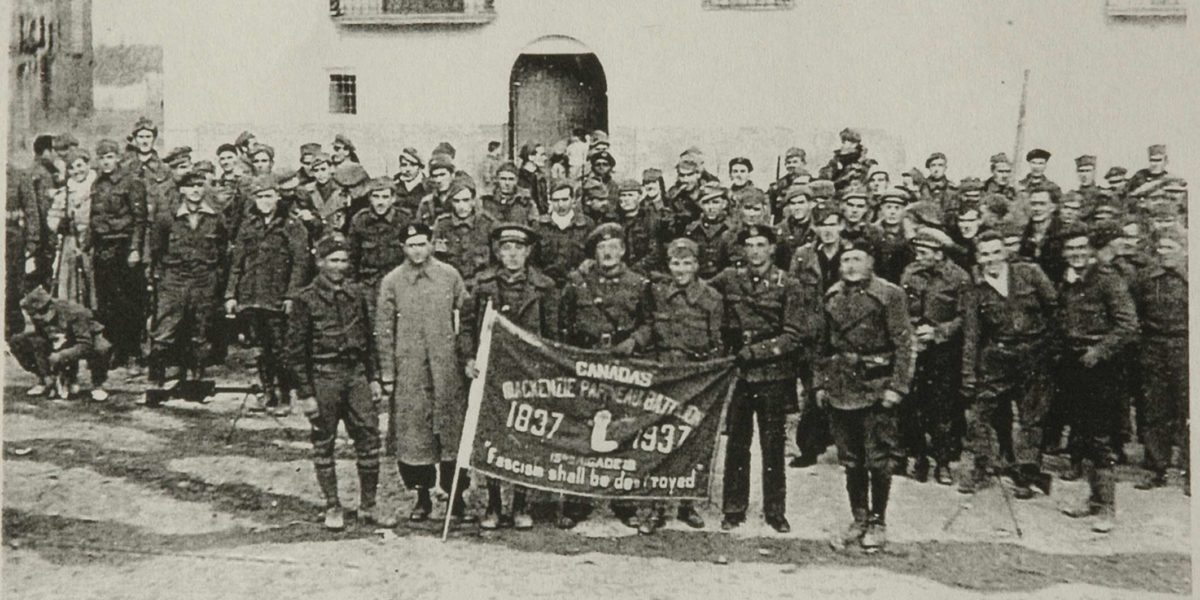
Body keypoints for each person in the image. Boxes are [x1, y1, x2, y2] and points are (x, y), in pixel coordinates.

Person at [285, 233, 395, 531]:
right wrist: (306, 394)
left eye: (344, 260)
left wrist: (373, 377)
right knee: (324, 442)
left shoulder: (357, 293)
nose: (339, 266)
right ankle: (333, 505)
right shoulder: (305, 299)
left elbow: (368, 339)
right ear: (319, 262)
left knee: (369, 439)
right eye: (332, 260)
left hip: (356, 375)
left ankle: (368, 505)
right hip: (324, 377)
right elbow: (294, 352)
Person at [710, 224, 817, 533]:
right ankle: (733, 508)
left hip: (773, 374)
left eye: (761, 245)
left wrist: (757, 352)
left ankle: (775, 510)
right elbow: (702, 290)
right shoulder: (730, 278)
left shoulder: (789, 284)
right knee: (737, 445)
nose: (755, 251)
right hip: (739, 375)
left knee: (772, 446)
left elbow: (793, 335)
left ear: (772, 249)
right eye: (750, 245)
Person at [814, 235, 913, 550]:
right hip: (842, 388)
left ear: (871, 262)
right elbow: (821, 346)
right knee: (851, 459)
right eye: (845, 260)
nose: (851, 266)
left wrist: (897, 387)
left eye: (857, 259)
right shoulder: (832, 297)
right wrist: (819, 383)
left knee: (879, 459)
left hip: (876, 386)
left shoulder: (889, 295)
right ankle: (858, 517)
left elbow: (904, 344)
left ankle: (878, 520)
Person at [460, 224, 559, 530]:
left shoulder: (544, 287)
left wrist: (550, 368)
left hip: (529, 373)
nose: (512, 255)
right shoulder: (482, 285)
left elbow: (553, 333)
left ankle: (519, 504)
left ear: (528, 252)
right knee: (493, 435)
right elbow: (465, 327)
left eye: (519, 248)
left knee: (524, 437)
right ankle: (492, 503)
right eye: (506, 249)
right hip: (492, 372)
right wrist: (469, 357)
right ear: (498, 252)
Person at [376, 223, 475, 525]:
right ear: (402, 248)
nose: (417, 250)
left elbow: (468, 316)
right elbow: (384, 331)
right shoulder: (392, 282)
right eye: (411, 245)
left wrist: (467, 357)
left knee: (451, 433)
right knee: (413, 437)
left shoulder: (449, 275)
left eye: (422, 243)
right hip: (410, 371)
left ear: (432, 244)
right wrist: (388, 373)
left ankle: (455, 498)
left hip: (448, 370)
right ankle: (422, 497)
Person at [558, 223, 654, 529]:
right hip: (586, 363)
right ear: (594, 253)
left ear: (623, 250)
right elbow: (563, 324)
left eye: (614, 247)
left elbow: (651, 323)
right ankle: (578, 500)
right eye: (601, 248)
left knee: (622, 430)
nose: (608, 253)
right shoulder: (577, 283)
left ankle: (623, 500)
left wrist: (635, 341)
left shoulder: (639, 284)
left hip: (624, 365)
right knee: (583, 428)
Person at [960, 230, 1058, 499]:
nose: (991, 259)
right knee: (981, 415)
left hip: (1033, 356)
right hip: (997, 357)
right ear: (978, 257)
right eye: (985, 254)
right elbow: (971, 334)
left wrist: (1049, 350)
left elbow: (1054, 309)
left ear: (1005, 252)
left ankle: (1027, 475)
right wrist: (968, 373)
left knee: (1031, 418)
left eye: (995, 252)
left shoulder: (1030, 273)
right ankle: (982, 465)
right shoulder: (975, 290)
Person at [636, 237, 724, 534]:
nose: (681, 269)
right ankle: (656, 505)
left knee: (692, 440)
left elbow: (717, 345)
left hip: (696, 380)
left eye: (687, 263)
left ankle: (687, 503)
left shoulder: (711, 298)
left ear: (697, 265)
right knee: (660, 438)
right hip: (664, 376)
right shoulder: (658, 293)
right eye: (675, 263)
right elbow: (650, 328)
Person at [1056, 223, 1138, 533]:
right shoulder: (1068, 282)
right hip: (1075, 366)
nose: (1076, 254)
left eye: (1081, 248)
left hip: (1102, 369)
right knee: (1083, 435)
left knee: (1101, 438)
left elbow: (1128, 326)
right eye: (1070, 250)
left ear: (1091, 250)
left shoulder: (1107, 279)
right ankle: (1092, 500)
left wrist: (1098, 352)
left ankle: (1107, 509)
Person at [225, 175, 310, 415]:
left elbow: (300, 264)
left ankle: (284, 396)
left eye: (269, 196)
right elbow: (236, 263)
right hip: (251, 296)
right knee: (260, 348)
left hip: (277, 298)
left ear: (278, 197)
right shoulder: (248, 225)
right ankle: (267, 392)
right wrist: (230, 294)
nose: (264, 201)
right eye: (259, 196)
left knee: (280, 348)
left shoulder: (291, 226)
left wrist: (291, 296)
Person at [146, 172, 228, 394]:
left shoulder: (215, 217)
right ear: (181, 190)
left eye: (200, 186)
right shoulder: (166, 217)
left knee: (200, 329)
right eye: (190, 186)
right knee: (165, 328)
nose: (195, 190)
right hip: (174, 278)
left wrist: (215, 277)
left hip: (204, 278)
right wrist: (161, 277)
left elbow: (222, 250)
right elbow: (156, 250)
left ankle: (197, 378)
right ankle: (156, 378)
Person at [900, 228, 970, 485]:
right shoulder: (910, 273)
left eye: (925, 252)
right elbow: (901, 308)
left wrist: (939, 332)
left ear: (939, 254)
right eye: (918, 252)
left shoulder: (959, 278)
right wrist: (912, 334)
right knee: (914, 406)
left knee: (942, 408)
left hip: (944, 353)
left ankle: (942, 462)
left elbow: (965, 317)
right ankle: (919, 457)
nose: (919, 257)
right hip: (916, 348)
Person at [1131, 225, 1188, 493]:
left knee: (1188, 410)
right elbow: (1135, 311)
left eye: (1170, 247)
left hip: (1185, 345)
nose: (1163, 252)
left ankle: (1191, 470)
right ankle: (1156, 467)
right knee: (1155, 408)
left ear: (1185, 250)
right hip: (1153, 346)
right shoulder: (1146, 278)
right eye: (1161, 247)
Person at [11, 287, 112, 402]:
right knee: (18, 341)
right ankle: (45, 380)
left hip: (87, 336)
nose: (39, 318)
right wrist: (46, 373)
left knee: (102, 348)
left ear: (50, 307)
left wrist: (61, 356)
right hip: (63, 338)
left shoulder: (74, 311)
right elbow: (40, 340)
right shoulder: (36, 311)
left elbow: (85, 344)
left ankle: (98, 384)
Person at [348, 177, 412, 321]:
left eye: (385, 196)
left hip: (399, 284)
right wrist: (353, 288)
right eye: (376, 196)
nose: (380, 202)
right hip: (368, 286)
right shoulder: (359, 220)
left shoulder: (404, 219)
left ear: (393, 198)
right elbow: (352, 257)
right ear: (370, 198)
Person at [47, 149, 98, 309]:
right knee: (71, 283)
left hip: (93, 242)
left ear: (88, 165)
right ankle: (73, 319)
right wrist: (61, 222)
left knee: (93, 281)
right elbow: (52, 219)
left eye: (80, 166)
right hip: (71, 243)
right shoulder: (65, 192)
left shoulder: (97, 188)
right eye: (72, 168)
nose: (77, 171)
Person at [432, 172, 497, 282]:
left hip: (481, 283)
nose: (462, 206)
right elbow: (435, 260)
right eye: (457, 201)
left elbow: (497, 262)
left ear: (473, 201)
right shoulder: (442, 224)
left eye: (466, 200)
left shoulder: (488, 223)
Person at [532, 183, 594, 286]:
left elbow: (592, 256)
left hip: (577, 283)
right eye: (556, 200)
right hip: (546, 284)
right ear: (549, 201)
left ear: (573, 200)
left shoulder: (586, 224)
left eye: (565, 200)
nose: (560, 205)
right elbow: (532, 260)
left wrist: (581, 273)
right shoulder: (539, 226)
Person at [615, 177, 665, 275]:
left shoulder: (650, 219)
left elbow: (655, 252)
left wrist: (633, 271)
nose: (626, 199)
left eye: (630, 195)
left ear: (640, 197)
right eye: (623, 195)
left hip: (646, 272)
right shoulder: (615, 220)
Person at [684, 184, 735, 280]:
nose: (710, 208)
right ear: (700, 205)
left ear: (724, 204)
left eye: (715, 202)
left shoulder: (732, 229)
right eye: (706, 203)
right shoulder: (692, 230)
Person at [1018, 188, 1067, 283]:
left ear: (1053, 207)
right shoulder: (1023, 234)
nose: (1037, 209)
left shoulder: (1063, 233)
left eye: (1042, 204)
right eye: (1033, 204)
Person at [873, 188, 912, 284]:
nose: (892, 212)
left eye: (897, 208)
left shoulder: (910, 235)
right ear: (881, 209)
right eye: (888, 207)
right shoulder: (872, 232)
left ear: (904, 210)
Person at [774, 184, 817, 268]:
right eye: (793, 203)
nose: (797, 207)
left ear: (811, 204)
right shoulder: (779, 230)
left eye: (801, 202)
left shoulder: (819, 229)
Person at [767, 147, 810, 220]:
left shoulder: (811, 182)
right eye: (788, 163)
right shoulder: (779, 184)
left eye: (795, 162)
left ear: (804, 163)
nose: (791, 165)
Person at [415, 155, 457, 225]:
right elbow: (418, 226)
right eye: (435, 176)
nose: (438, 180)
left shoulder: (463, 199)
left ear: (452, 175)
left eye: (442, 174)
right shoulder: (426, 202)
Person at [393, 147, 428, 215]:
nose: (407, 169)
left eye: (412, 165)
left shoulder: (427, 187)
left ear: (420, 167)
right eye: (404, 165)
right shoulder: (394, 186)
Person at [517, 141, 548, 213]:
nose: (545, 158)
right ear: (531, 157)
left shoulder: (540, 177)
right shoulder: (519, 178)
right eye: (542, 155)